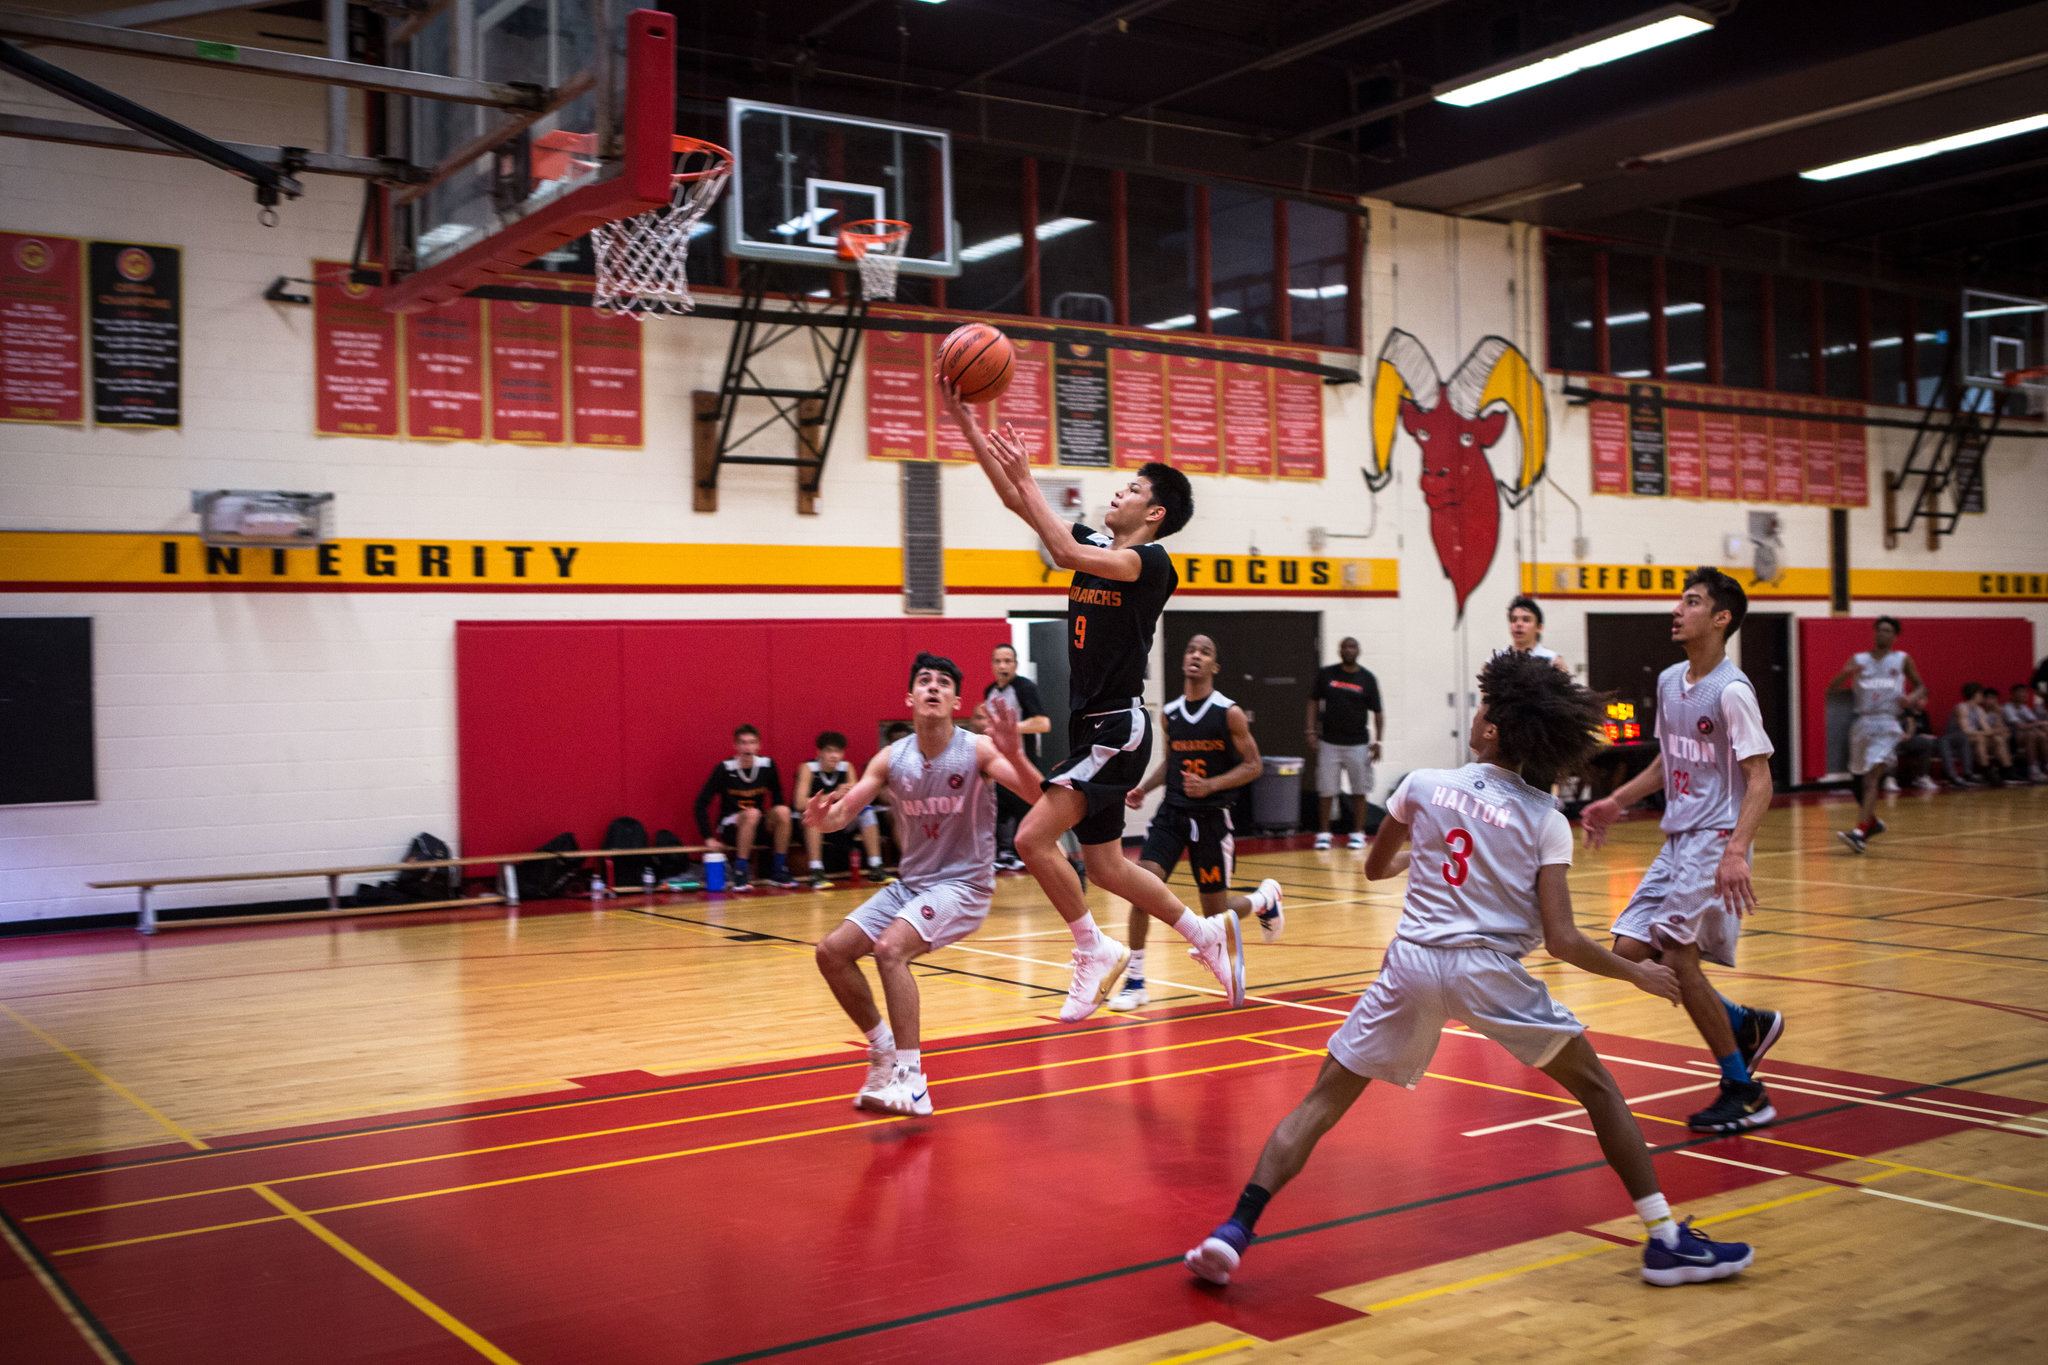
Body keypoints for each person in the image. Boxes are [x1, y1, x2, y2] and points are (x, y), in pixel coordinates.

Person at [1183, 650, 1754, 1290]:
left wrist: (1423, 853)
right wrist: (1637, 974)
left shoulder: (1423, 785)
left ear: (1491, 730)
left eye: (1484, 707)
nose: (1477, 713)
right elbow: (1563, 940)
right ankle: (1666, 1240)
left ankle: (1233, 1232)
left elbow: (1375, 869)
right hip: (1487, 971)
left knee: (1322, 1101)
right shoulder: (1546, 820)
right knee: (1598, 1089)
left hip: (1411, 964)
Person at [940, 378, 1244, 1022]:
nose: (1118, 492)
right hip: (1090, 728)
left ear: (1154, 513)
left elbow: (1058, 550)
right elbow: (1015, 500)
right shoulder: (1099, 547)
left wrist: (1031, 478)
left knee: (1031, 839)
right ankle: (1205, 932)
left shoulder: (1151, 564)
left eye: (1132, 489)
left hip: (1119, 727)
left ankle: (1093, 949)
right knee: (1105, 867)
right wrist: (965, 423)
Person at [1582, 568, 1782, 1136]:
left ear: (1721, 619)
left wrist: (1736, 851)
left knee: (1677, 955)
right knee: (1629, 950)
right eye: (1680, 602)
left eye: (1691, 602)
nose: (1677, 610)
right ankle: (1742, 1022)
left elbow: (1761, 780)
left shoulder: (1732, 692)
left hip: (1716, 839)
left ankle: (1744, 1090)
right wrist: (1616, 800)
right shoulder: (1672, 681)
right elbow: (1666, 762)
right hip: (1678, 840)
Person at [809, 654, 1042, 1117]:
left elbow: (1040, 797)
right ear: (909, 698)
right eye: (924, 680)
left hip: (964, 886)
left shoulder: (977, 750)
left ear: (956, 701)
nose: (933, 687)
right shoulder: (891, 758)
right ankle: (882, 1050)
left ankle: (912, 1081)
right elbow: (842, 813)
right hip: (912, 885)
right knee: (831, 953)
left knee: (890, 950)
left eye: (943, 683)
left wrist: (1016, 753)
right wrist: (822, 820)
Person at [1110, 635, 1285, 1011]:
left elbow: (1254, 765)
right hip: (1172, 815)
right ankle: (1135, 981)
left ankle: (1263, 899)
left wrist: (1210, 785)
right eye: (1191, 649)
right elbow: (1171, 762)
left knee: (1214, 915)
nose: (1196, 655)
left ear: (1214, 667)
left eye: (1205, 652)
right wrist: (1145, 788)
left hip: (1211, 819)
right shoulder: (1170, 713)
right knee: (1143, 888)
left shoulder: (1228, 712)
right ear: (1183, 660)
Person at [1823, 616, 1926, 853]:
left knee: (1871, 778)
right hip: (1863, 723)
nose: (1882, 634)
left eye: (1888, 631)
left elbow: (1921, 686)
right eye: (1879, 630)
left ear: (1895, 636)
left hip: (1888, 723)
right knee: (1857, 781)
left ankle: (1859, 833)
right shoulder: (1859, 659)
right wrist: (1846, 673)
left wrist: (1912, 697)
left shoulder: (1902, 659)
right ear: (1874, 633)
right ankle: (1872, 823)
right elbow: (1833, 688)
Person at [971, 643, 1051, 871]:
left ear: (1015, 664)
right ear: (992, 665)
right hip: (998, 763)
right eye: (998, 661)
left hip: (1023, 762)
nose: (1003, 666)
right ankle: (1004, 854)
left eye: (1008, 661)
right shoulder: (990, 691)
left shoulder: (1025, 688)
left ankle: (1054, 860)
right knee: (997, 809)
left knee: (1030, 811)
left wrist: (1010, 729)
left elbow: (1043, 723)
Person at [694, 724, 794, 891]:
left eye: (752, 742)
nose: (748, 747)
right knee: (752, 813)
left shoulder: (767, 765)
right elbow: (701, 803)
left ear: (758, 745)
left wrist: (776, 826)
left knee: (783, 811)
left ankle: (779, 870)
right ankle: (741, 872)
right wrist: (708, 837)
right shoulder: (725, 769)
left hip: (757, 824)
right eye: (743, 743)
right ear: (736, 746)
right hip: (731, 826)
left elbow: (778, 797)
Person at [1307, 637, 1384, 851]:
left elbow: (1378, 712)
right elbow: (1313, 701)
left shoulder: (1367, 678)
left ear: (1358, 651)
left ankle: (1358, 833)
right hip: (1329, 742)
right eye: (1345, 647)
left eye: (1352, 647)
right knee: (1326, 790)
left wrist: (1378, 741)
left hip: (1358, 743)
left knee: (1359, 789)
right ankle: (1324, 833)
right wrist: (1311, 731)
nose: (1348, 650)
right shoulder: (1327, 674)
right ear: (1340, 650)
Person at [792, 731, 889, 888]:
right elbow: (799, 803)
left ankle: (876, 866)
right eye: (829, 751)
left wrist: (851, 795)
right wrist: (834, 795)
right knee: (814, 814)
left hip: (839, 821)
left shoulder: (847, 767)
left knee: (866, 810)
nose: (834, 756)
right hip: (810, 826)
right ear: (819, 752)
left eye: (838, 751)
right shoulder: (808, 768)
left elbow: (857, 800)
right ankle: (816, 871)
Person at [1506, 594, 1570, 671]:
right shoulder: (1498, 660)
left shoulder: (1553, 660)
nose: (1519, 624)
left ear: (1539, 627)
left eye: (1526, 620)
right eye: (1514, 620)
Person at [2003, 684, 2047, 782]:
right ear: (2013, 694)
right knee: (2031, 734)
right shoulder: (2008, 708)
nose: (2023, 694)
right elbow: (2020, 726)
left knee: (2042, 735)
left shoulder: (2024, 708)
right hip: (2012, 738)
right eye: (2020, 691)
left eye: (2024, 692)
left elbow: (2035, 722)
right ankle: (2033, 771)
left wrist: (2043, 726)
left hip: (2027, 734)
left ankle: (2045, 766)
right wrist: (2039, 724)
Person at [1895, 702, 1940, 792]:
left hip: (1905, 740)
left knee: (1926, 742)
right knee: (1888, 745)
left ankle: (1922, 777)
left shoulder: (1906, 710)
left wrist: (1908, 735)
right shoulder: (1884, 708)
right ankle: (1889, 778)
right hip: (1890, 739)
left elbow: (1911, 725)